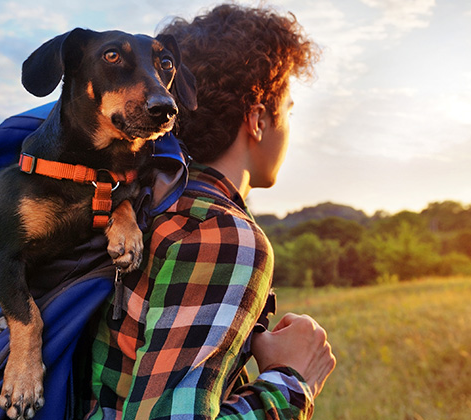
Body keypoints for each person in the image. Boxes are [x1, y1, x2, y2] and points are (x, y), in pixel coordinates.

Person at [88, 4, 336, 419]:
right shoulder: (220, 231)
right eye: (288, 110)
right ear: (257, 119)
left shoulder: (134, 202)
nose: (289, 125)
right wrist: (292, 380)